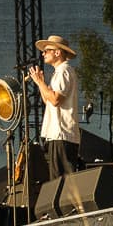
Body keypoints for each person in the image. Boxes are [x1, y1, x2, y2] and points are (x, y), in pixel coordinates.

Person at [28, 34, 81, 179]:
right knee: (57, 179)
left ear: (57, 52)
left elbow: (56, 99)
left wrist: (40, 83)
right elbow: (48, 101)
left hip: (62, 134)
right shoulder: (59, 72)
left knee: (62, 180)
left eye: (47, 50)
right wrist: (41, 83)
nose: (43, 53)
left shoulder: (64, 71)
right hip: (57, 135)